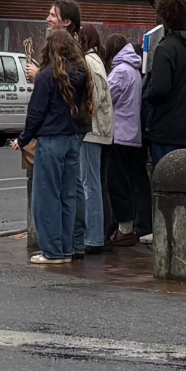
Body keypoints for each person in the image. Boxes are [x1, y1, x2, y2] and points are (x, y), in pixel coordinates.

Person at [12, 30, 92, 264]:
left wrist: (24, 138)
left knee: (46, 197)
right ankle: (66, 249)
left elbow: (36, 113)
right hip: (72, 139)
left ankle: (53, 251)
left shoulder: (47, 76)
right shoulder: (80, 73)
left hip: (50, 140)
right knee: (68, 196)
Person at [144, 0, 186, 166]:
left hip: (167, 129)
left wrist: (146, 95)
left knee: (166, 182)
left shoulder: (165, 48)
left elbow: (160, 88)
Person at [104, 35, 151, 247]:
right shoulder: (134, 69)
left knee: (118, 182)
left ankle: (125, 228)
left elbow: (104, 98)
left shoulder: (120, 71)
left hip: (119, 133)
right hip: (134, 133)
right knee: (137, 181)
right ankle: (143, 226)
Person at [75, 25, 114, 256]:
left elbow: (96, 96)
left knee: (89, 184)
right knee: (92, 183)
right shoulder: (95, 61)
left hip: (92, 131)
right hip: (97, 130)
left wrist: (82, 115)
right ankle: (95, 235)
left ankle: (94, 237)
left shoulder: (90, 63)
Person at [27, 0, 82, 83]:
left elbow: (66, 82)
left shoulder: (70, 50)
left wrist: (38, 76)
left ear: (66, 22)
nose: (48, 19)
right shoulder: (56, 46)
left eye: (53, 15)